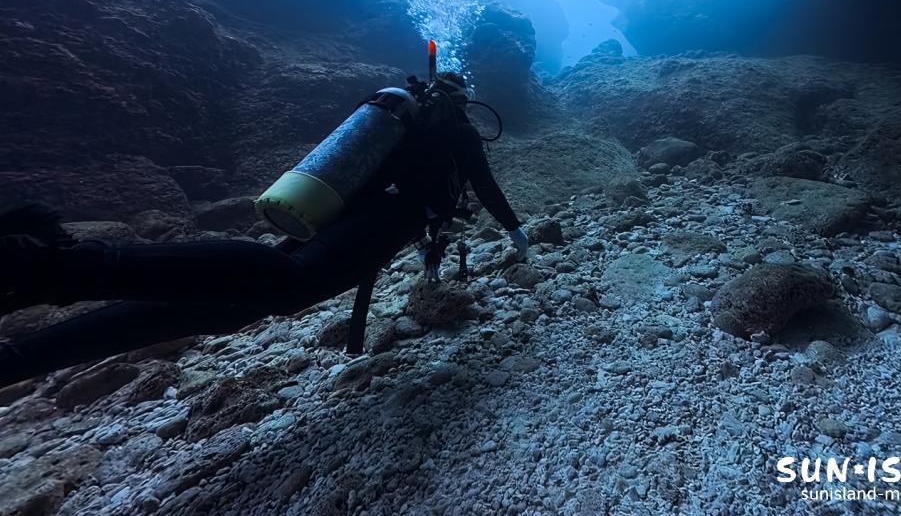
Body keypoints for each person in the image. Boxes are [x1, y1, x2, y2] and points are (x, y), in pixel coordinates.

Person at [0, 72, 528, 387]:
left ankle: (26, 349)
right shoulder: (456, 130)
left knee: (237, 307)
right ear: (463, 101)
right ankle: (62, 266)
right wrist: (516, 232)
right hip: (384, 218)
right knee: (285, 281)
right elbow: (483, 189)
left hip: (343, 211)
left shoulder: (405, 124)